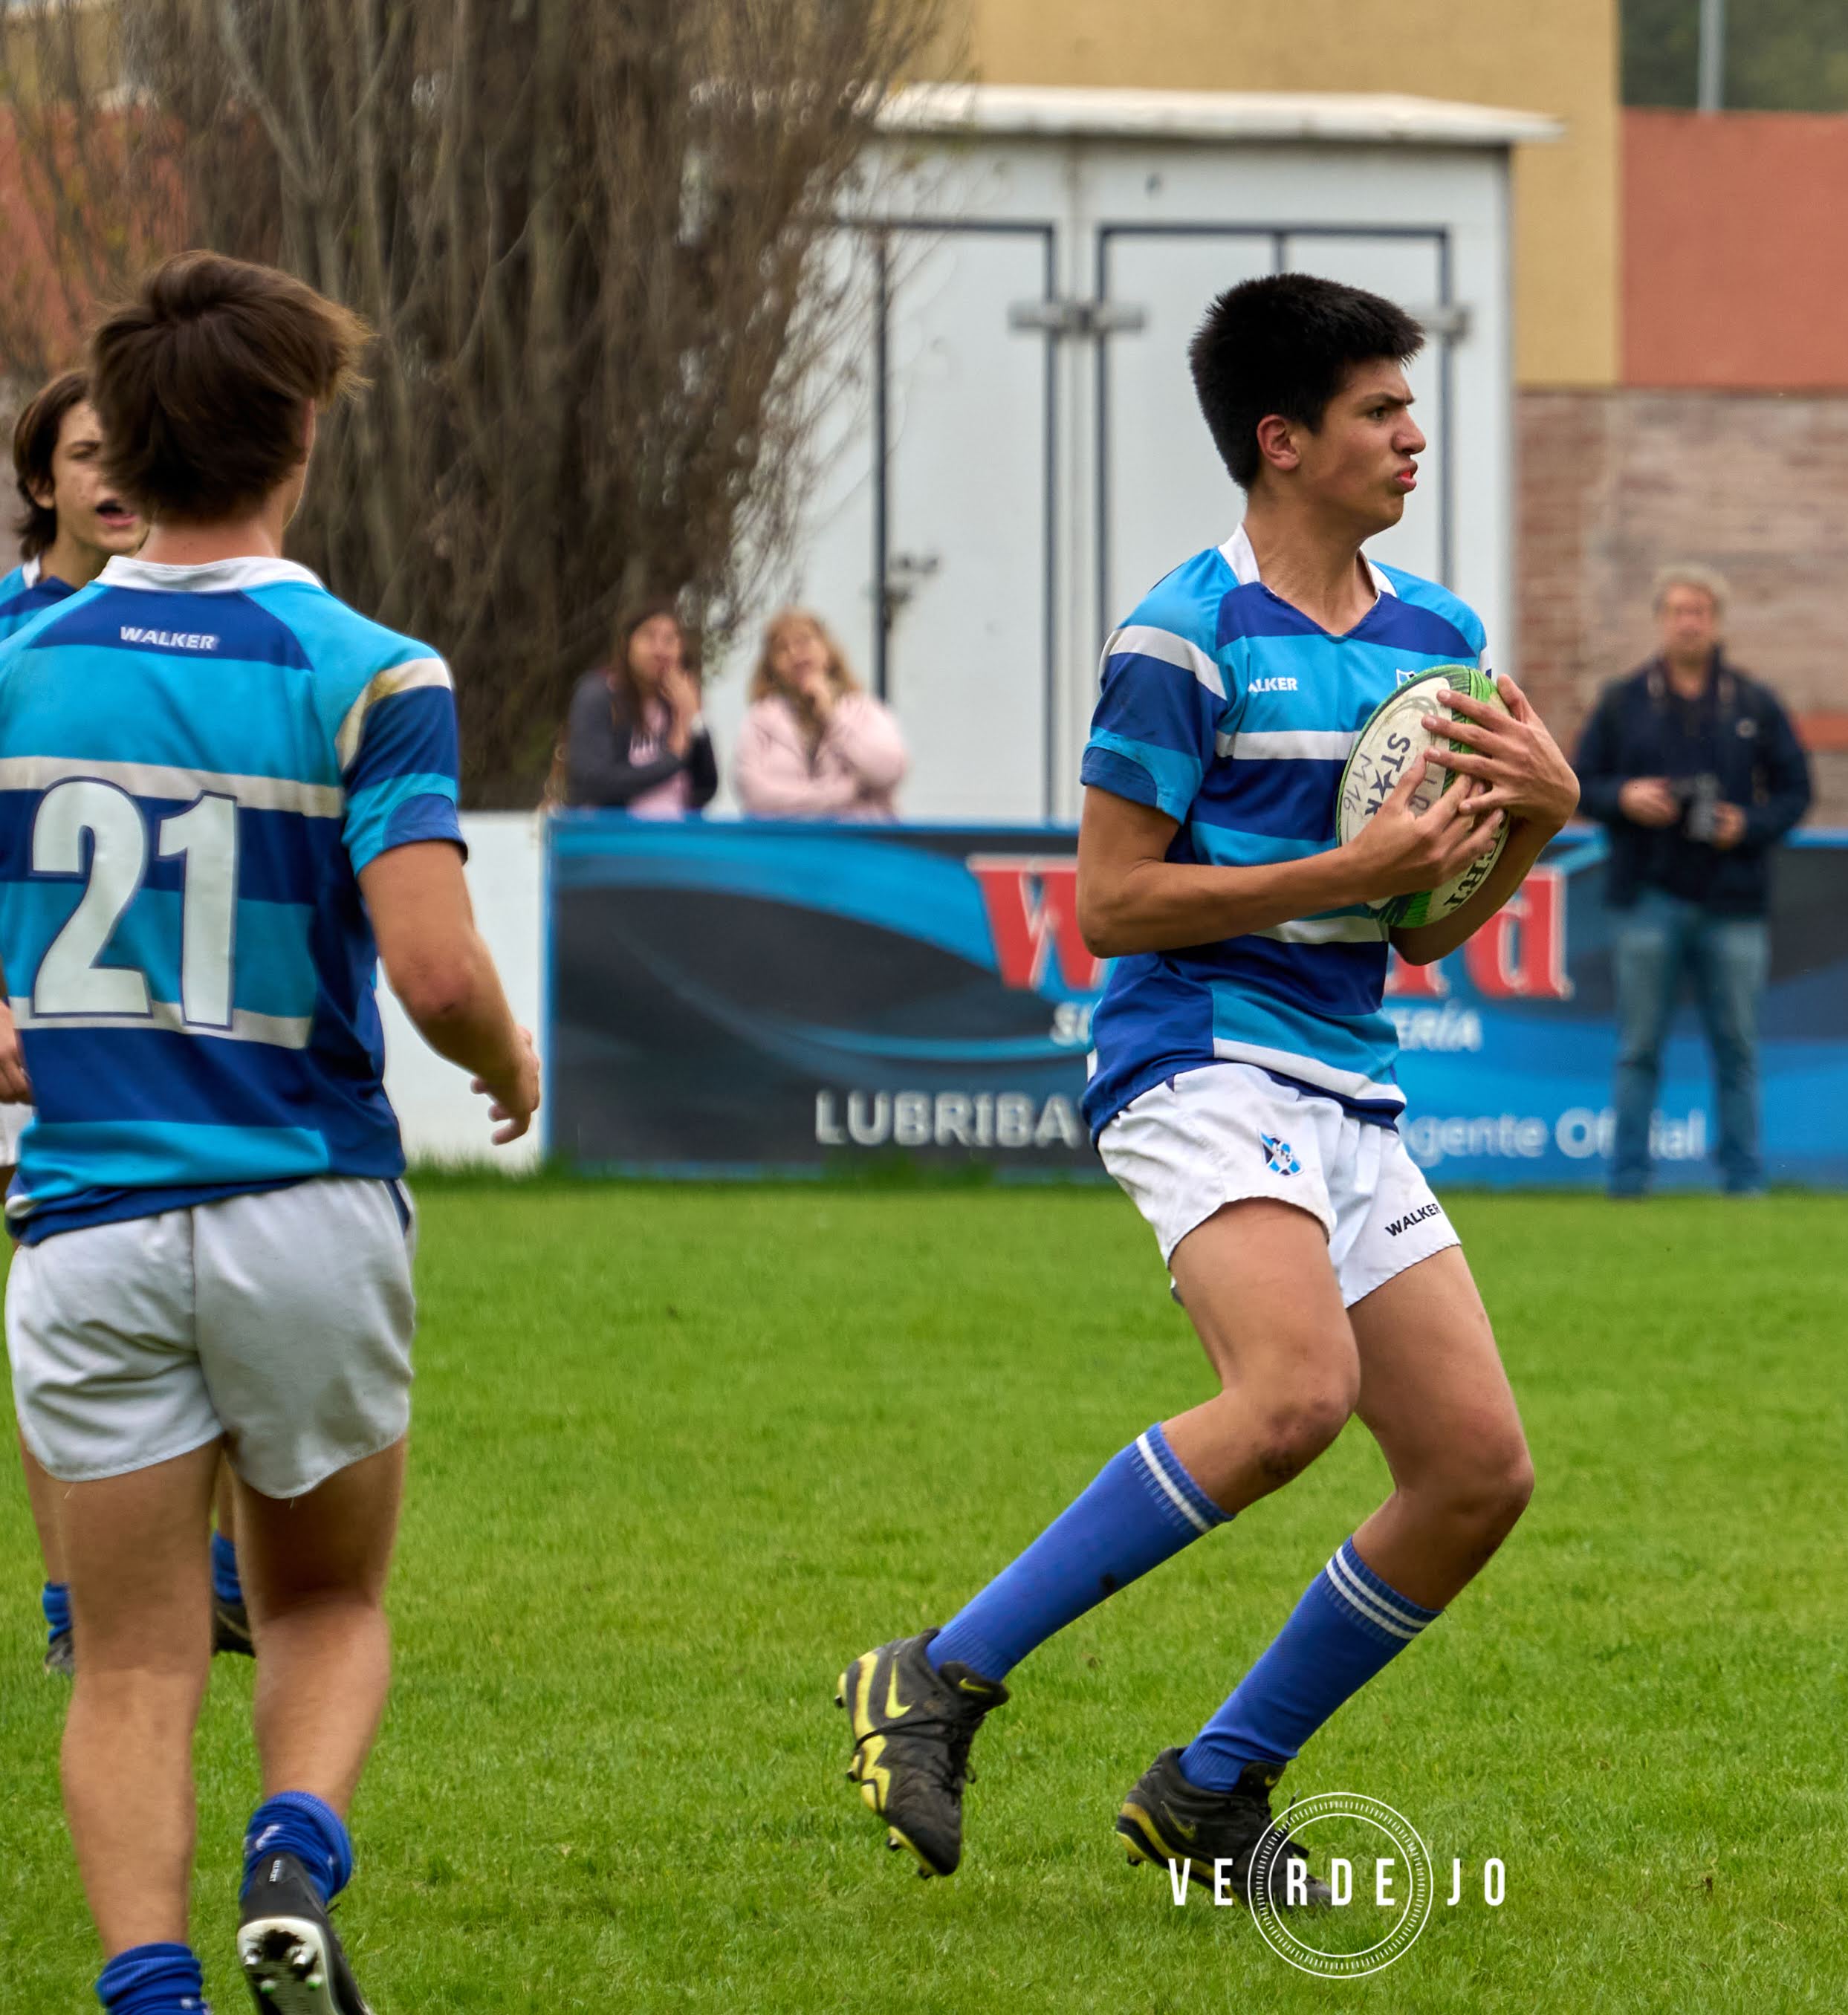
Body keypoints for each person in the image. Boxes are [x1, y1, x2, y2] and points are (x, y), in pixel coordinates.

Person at [836, 273, 1573, 1899]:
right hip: (1194, 1051)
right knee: (1291, 1397)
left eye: (1406, 405)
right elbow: (1106, 903)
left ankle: (1210, 1791)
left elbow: (1424, 924)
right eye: (1379, 411)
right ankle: (935, 1675)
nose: (1410, 435)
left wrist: (1532, 817)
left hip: (1345, 1081)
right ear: (1281, 441)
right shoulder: (1182, 635)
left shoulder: (1436, 644)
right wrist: (1347, 858)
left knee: (1474, 1475)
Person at [1, 251, 538, 2015]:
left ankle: (148, 1989)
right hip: (303, 1206)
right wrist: (505, 1056)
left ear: (122, 451)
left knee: (133, 1660)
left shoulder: (23, 660)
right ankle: (295, 1845)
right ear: (301, 435)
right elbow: (436, 962)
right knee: (318, 1604)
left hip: (84, 1221)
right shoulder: (371, 671)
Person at [4, 372, 256, 1678]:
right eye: (86, 456)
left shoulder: (178, 628)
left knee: (196, 1304)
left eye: (131, 456)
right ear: (39, 479)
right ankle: (73, 1610)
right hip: (27, 1028)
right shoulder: (13, 642)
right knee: (57, 1322)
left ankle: (214, 1582)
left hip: (150, 1026)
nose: (114, 481)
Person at [1572, 564, 1812, 1198]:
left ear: (1717, 621)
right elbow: (1575, 783)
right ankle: (1628, 1181)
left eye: (1700, 610)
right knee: (1638, 1048)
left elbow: (1797, 790)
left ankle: (1743, 1181)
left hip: (1733, 900)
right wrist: (1626, 797)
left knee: (1737, 1049)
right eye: (1677, 610)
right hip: (1646, 896)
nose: (1688, 621)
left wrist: (1747, 823)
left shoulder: (1752, 703)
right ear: (1660, 620)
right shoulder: (1624, 702)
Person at [733, 607, 908, 818]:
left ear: (828, 651)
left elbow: (888, 771)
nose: (795, 653)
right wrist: (838, 794)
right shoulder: (760, 720)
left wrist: (833, 716)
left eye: (804, 641)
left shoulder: (865, 710)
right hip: (786, 845)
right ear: (772, 667)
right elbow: (753, 794)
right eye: (782, 649)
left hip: (860, 842)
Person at [561, 600, 718, 814]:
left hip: (674, 837)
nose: (660, 650)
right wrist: (673, 757)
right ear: (627, 644)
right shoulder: (598, 695)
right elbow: (596, 782)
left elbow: (705, 790)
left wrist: (693, 718)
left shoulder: (678, 703)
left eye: (670, 640)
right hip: (615, 838)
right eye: (649, 637)